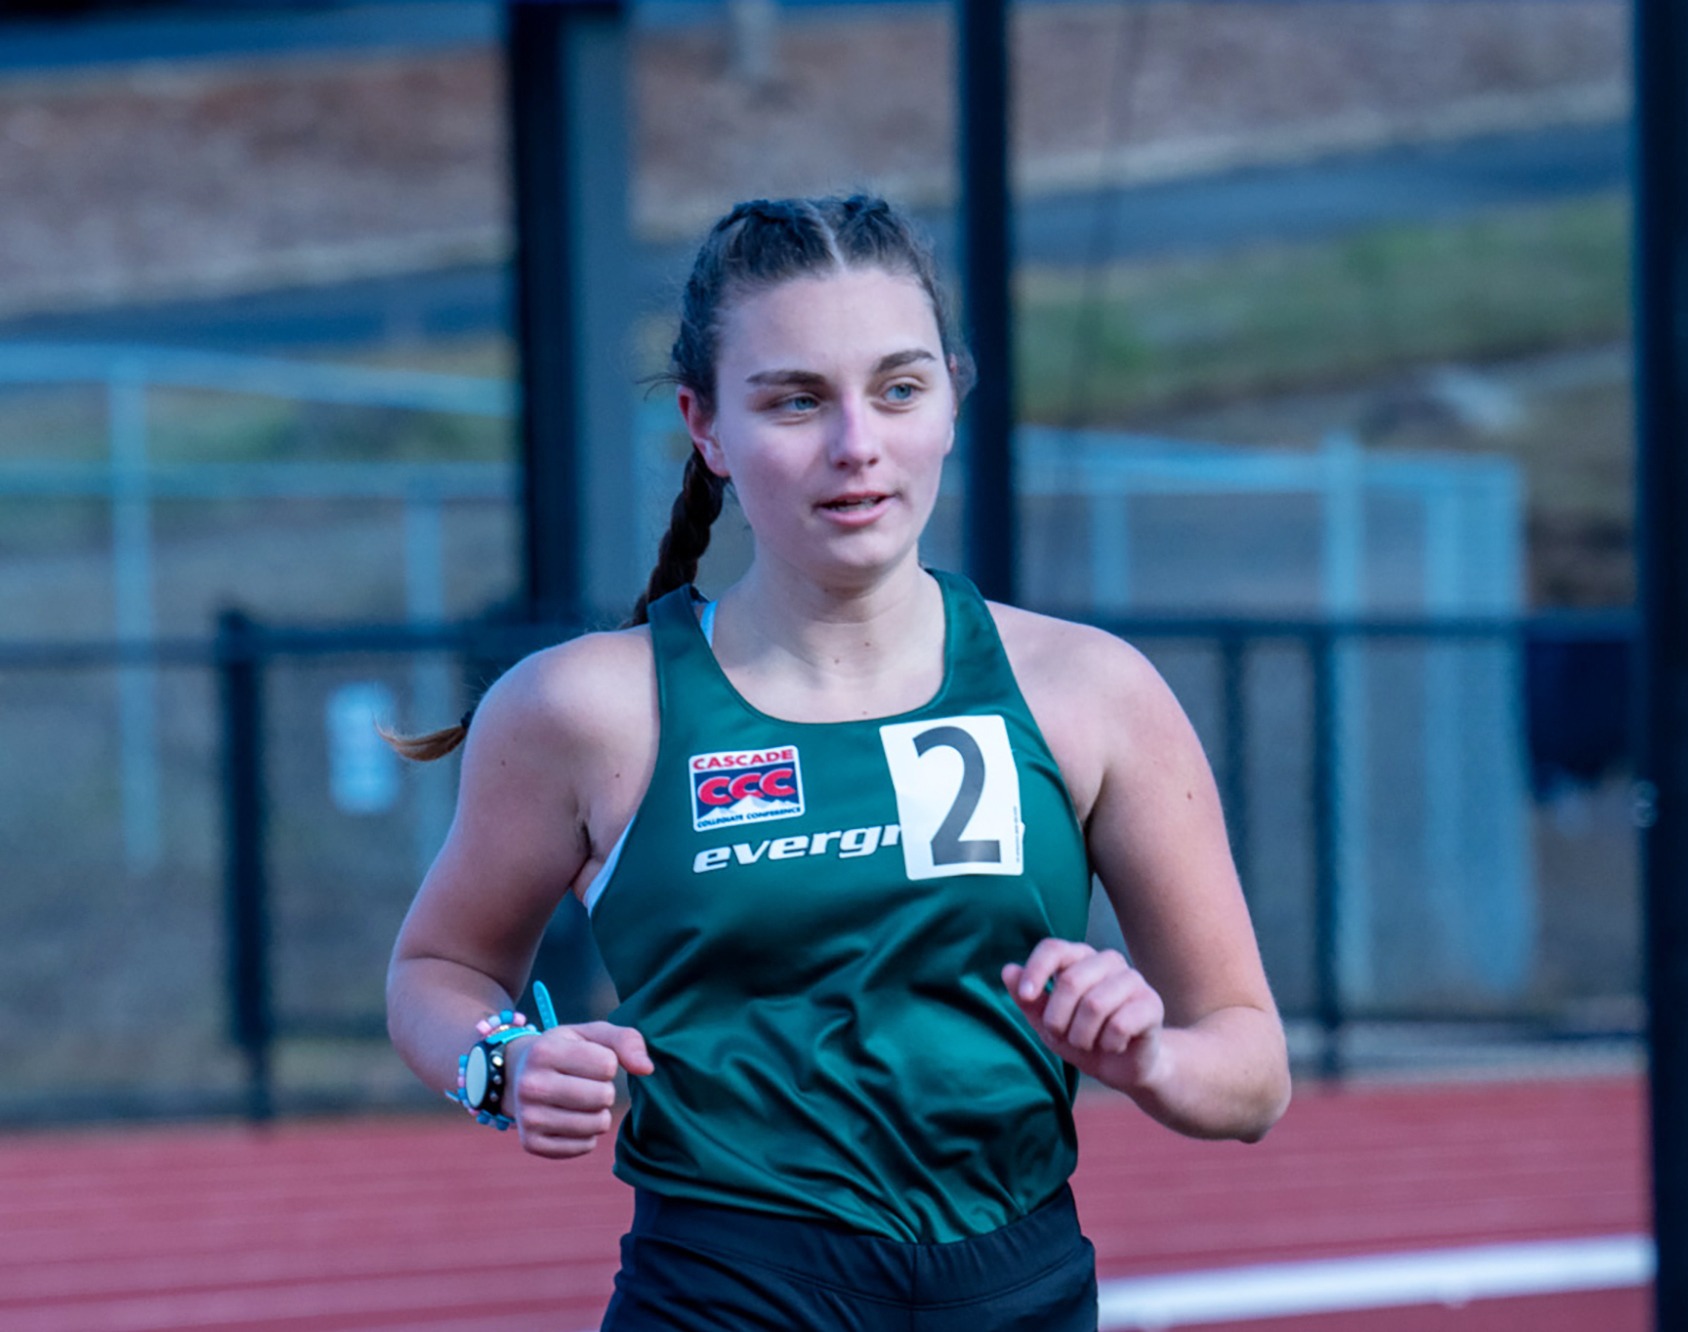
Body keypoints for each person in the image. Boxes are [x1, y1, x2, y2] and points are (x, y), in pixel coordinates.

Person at [385, 192, 1290, 1331]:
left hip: (1022, 1289)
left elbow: (1251, 1071)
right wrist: (501, 1067)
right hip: (727, 1292)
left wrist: (1147, 1052)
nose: (855, 444)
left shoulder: (1090, 692)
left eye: (898, 388)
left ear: (952, 399)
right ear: (705, 428)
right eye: (796, 400)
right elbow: (435, 970)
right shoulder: (584, 708)